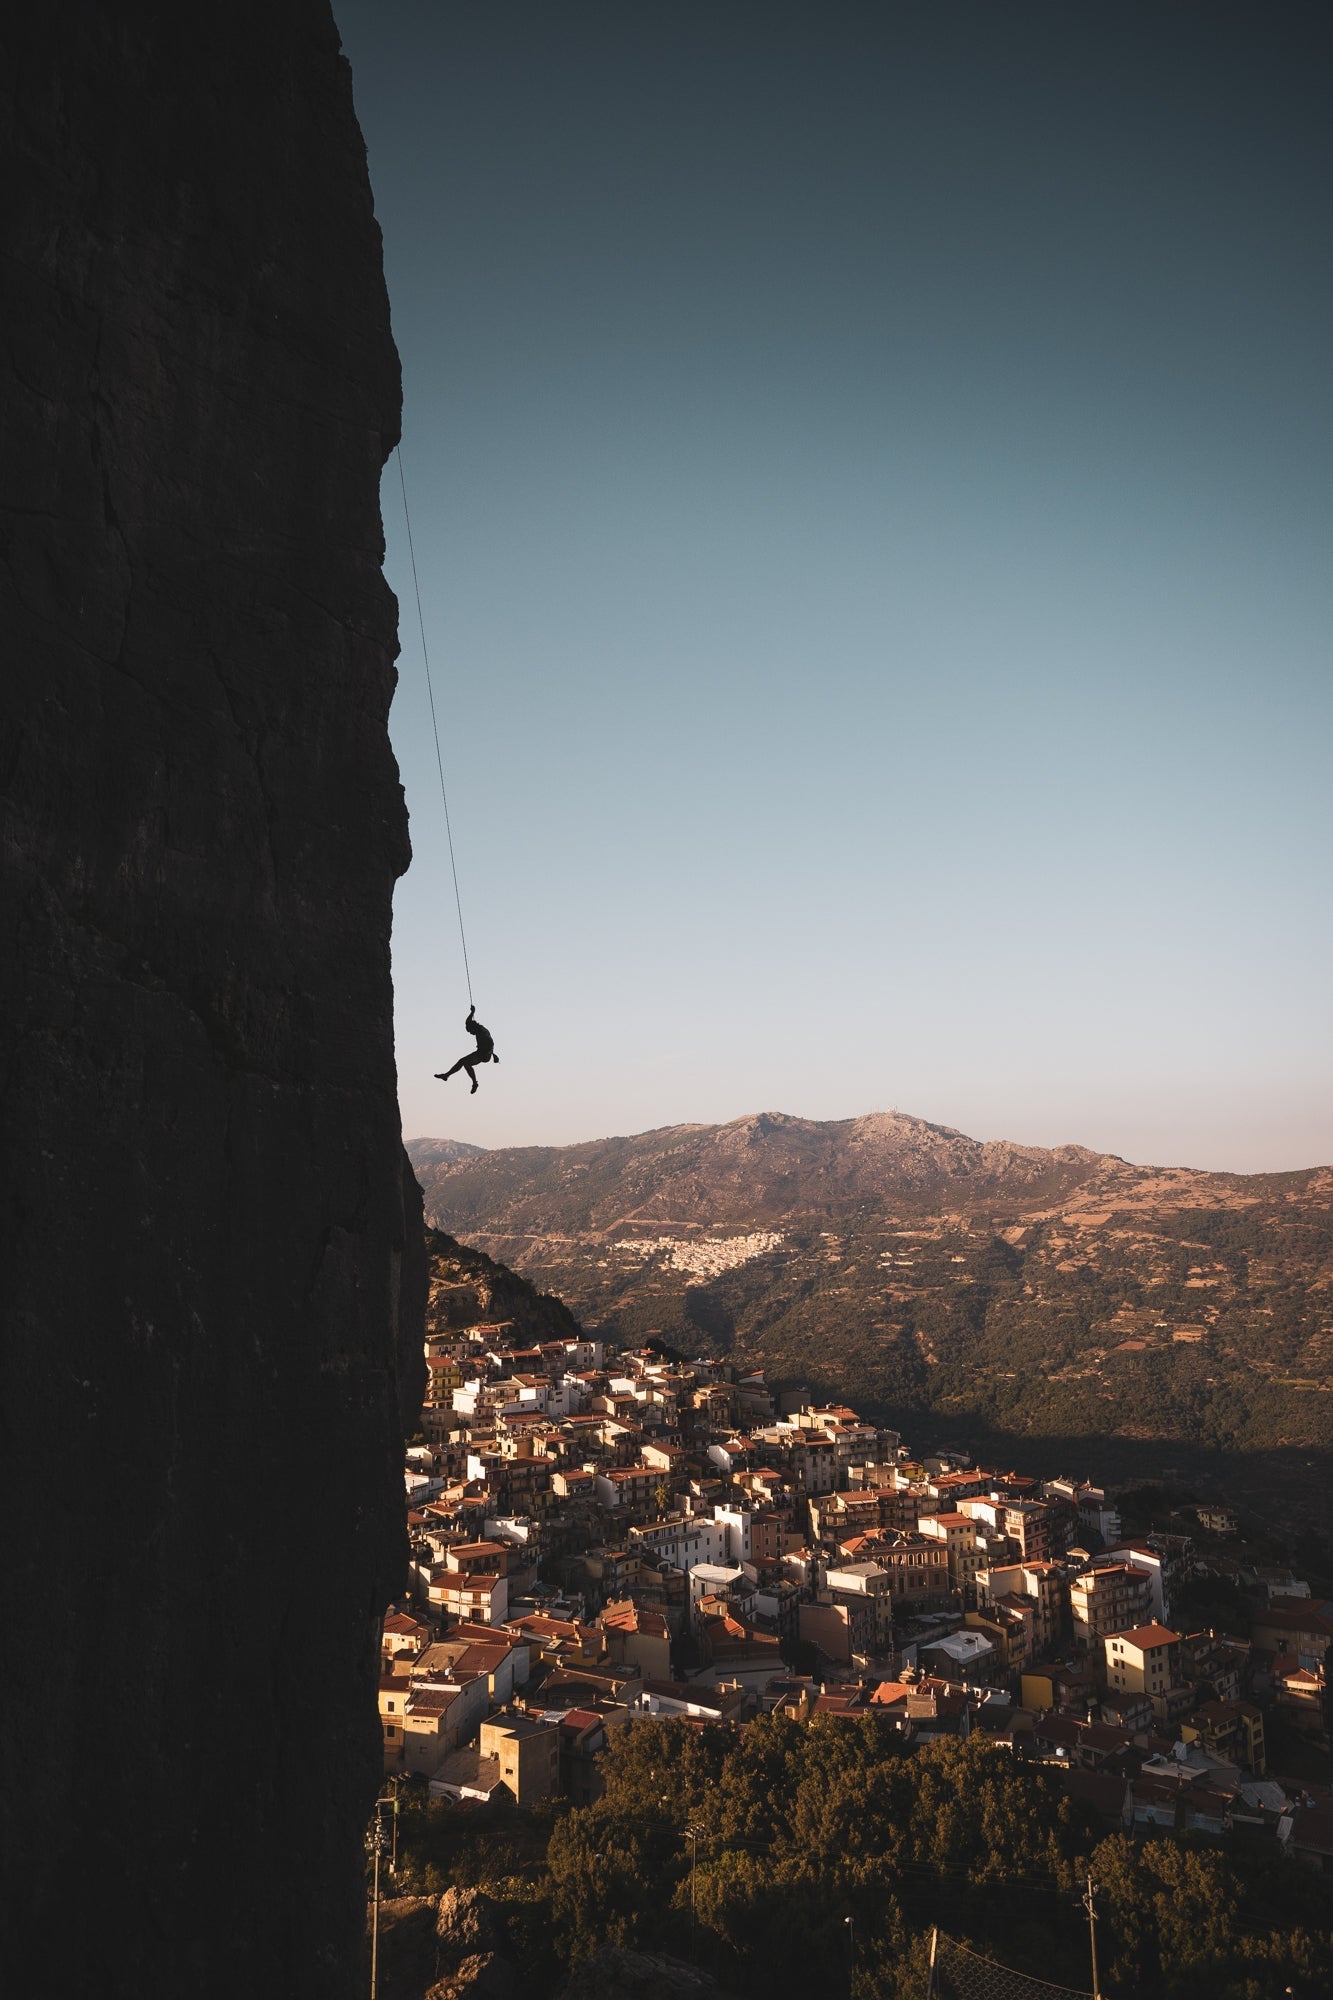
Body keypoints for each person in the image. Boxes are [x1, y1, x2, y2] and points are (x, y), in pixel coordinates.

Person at [435, 1005, 498, 1094]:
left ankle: (475, 1083)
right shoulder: (478, 1028)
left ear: (474, 1028)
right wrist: (472, 1012)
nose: (470, 1033)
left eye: (470, 1031)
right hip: (480, 1051)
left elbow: (491, 1042)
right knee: (461, 1061)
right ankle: (446, 1075)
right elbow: (468, 1022)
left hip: (484, 1055)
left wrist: (492, 1054)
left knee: (467, 1064)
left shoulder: (482, 1033)